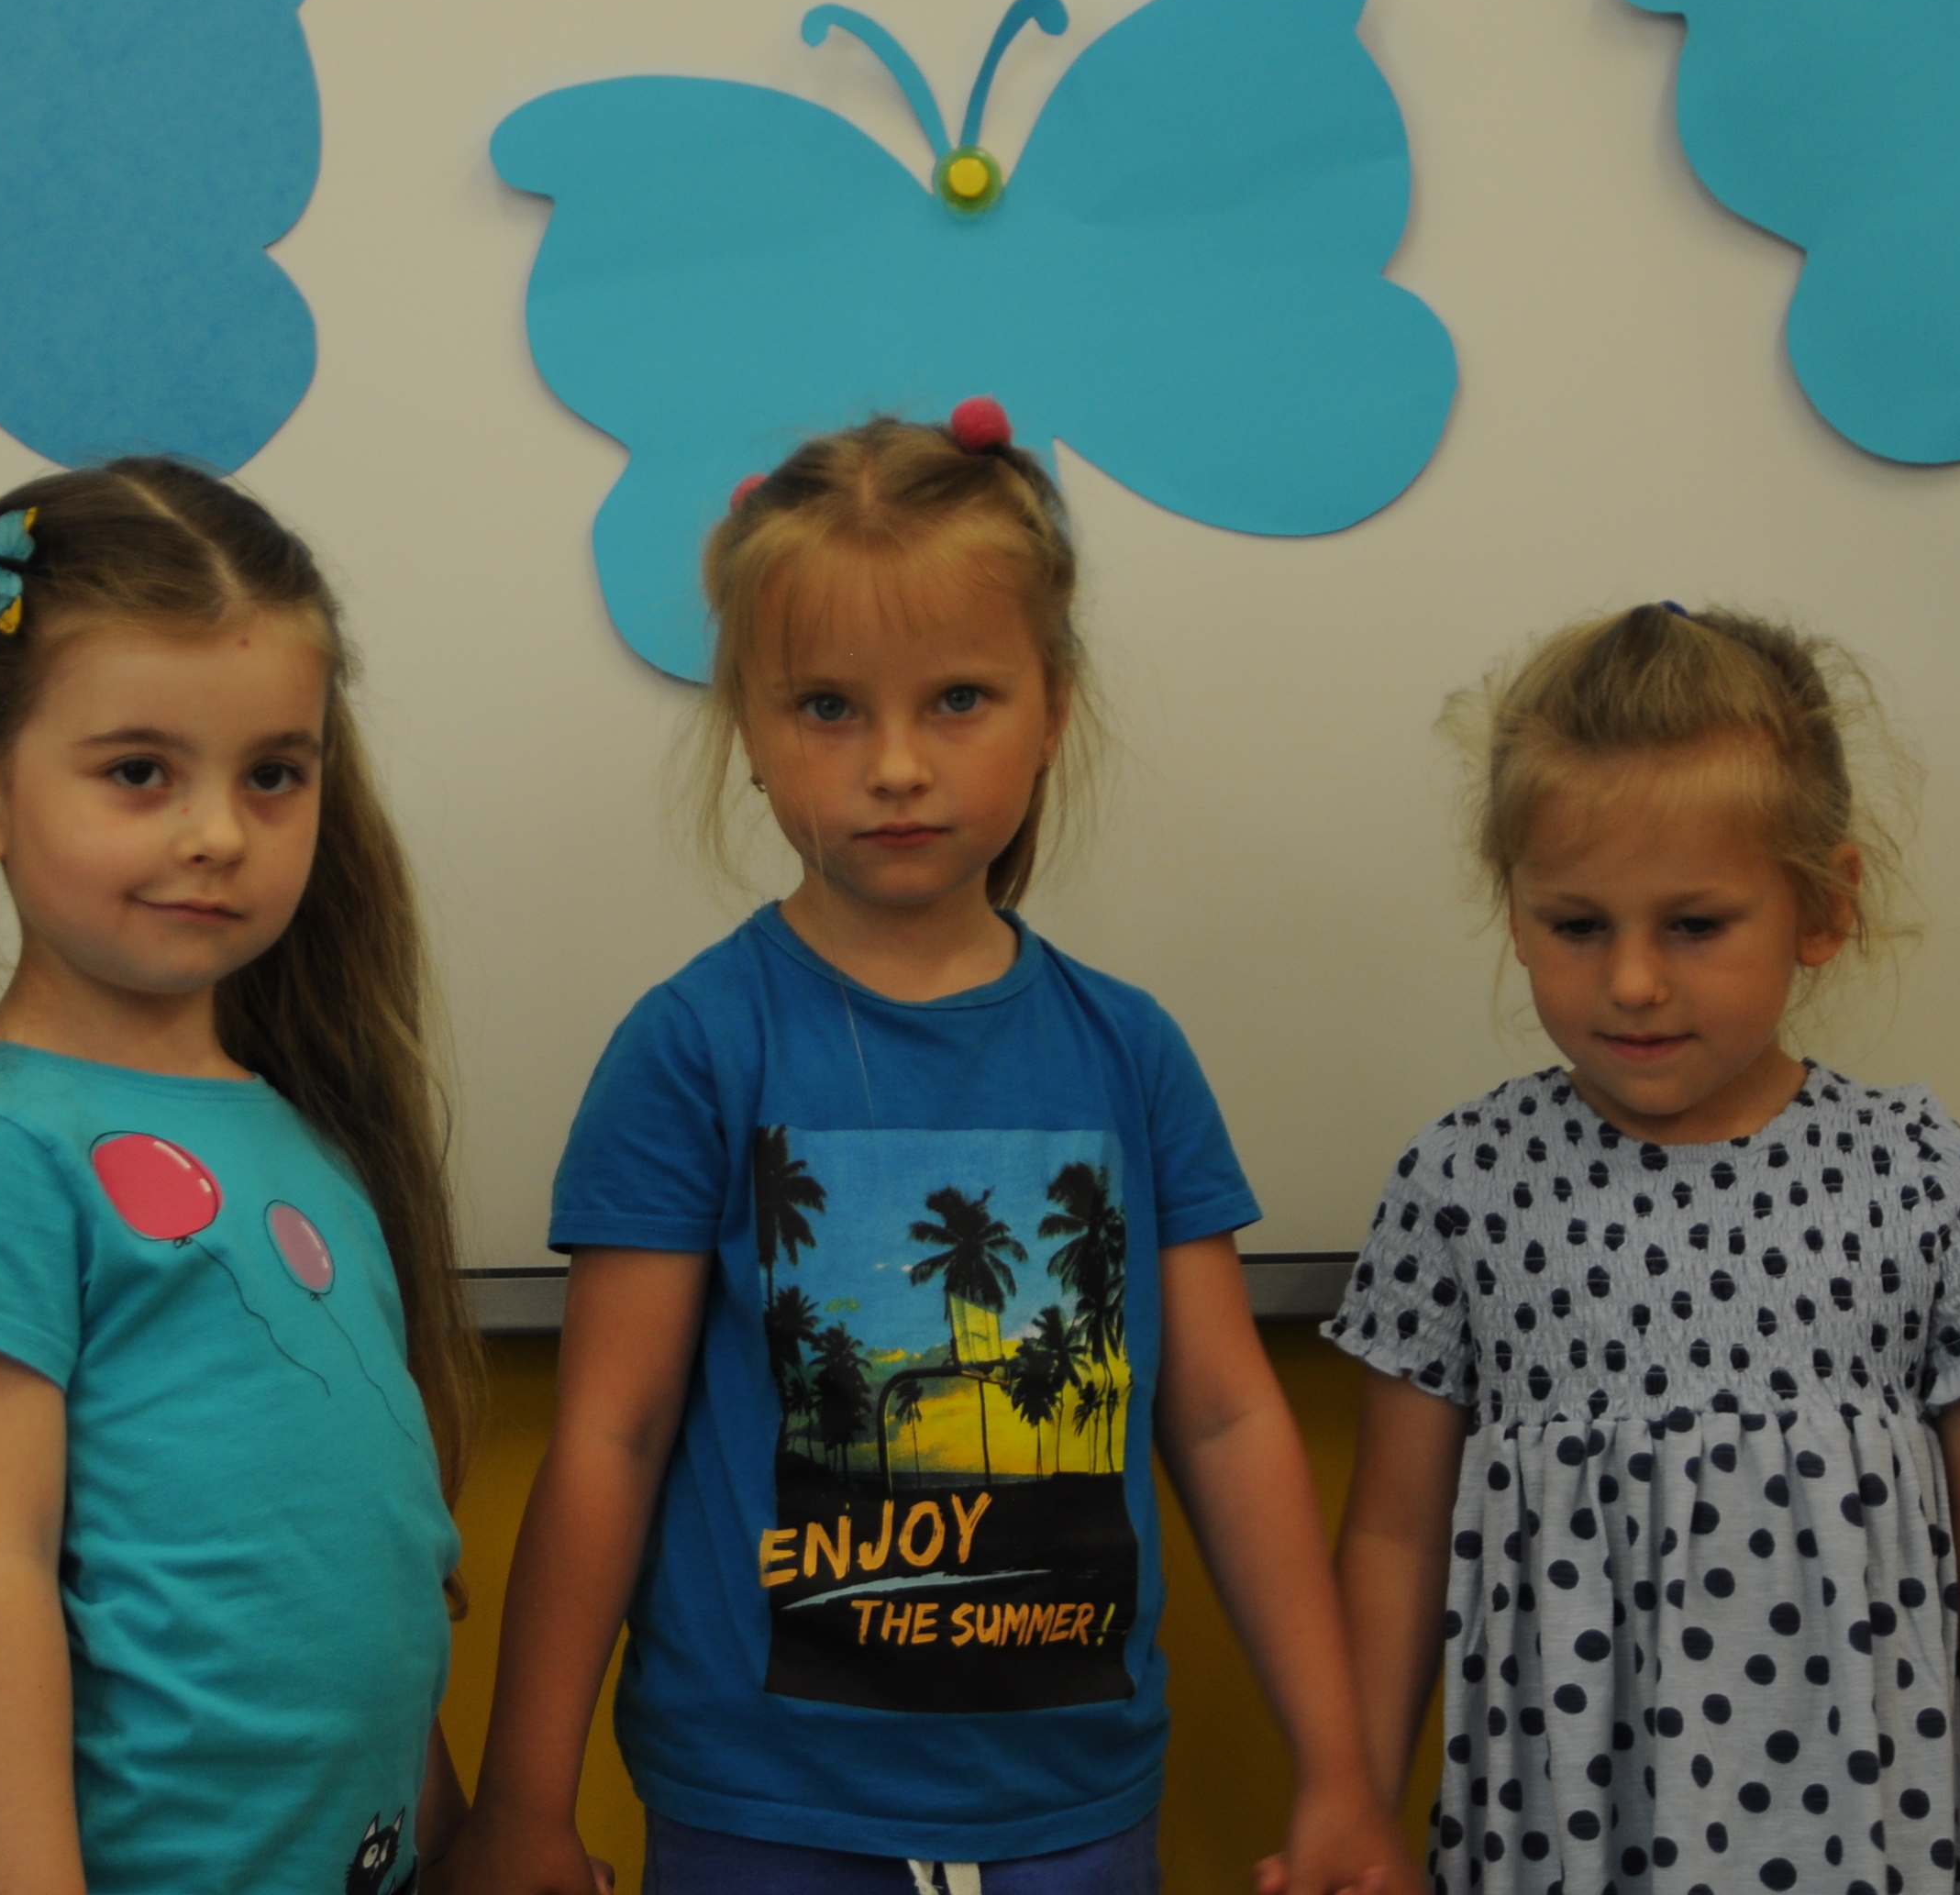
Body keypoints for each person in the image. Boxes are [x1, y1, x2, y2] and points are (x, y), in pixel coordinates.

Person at [454, 404, 1416, 1895]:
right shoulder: (693, 1049)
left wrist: (1343, 1776)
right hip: (764, 1815)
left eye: (958, 697)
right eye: (828, 706)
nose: (895, 764)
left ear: (1054, 705)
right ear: (749, 729)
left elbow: (1228, 1422)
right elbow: (610, 1438)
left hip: (1075, 1813)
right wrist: (525, 1804)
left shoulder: (1131, 1053)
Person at [0, 458, 478, 1895]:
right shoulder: (2, 1154)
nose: (219, 832)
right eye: (139, 773)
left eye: (273, 774)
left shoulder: (303, 1133)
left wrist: (456, 1837)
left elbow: (366, 1575)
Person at [1325, 604, 1960, 1895]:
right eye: (1577, 925)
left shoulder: (1922, 1178)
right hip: (1563, 1846)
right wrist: (1345, 1802)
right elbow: (1396, 1539)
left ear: (1823, 907)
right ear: (1513, 908)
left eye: (1694, 925)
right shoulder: (1462, 1184)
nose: (1632, 981)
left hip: (1866, 1848)